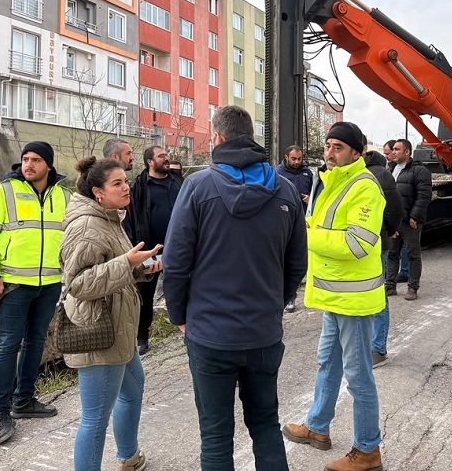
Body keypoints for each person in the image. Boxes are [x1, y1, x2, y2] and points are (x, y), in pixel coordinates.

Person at [162, 105, 307, 471]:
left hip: (210, 333)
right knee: (265, 425)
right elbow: (297, 264)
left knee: (215, 435)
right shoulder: (286, 191)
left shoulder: (197, 187)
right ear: (251, 136)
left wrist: (179, 315)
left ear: (219, 138)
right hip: (263, 332)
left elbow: (176, 263)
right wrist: (276, 303)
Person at [283, 121, 386, 471]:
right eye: (328, 145)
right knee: (328, 362)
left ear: (357, 152)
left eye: (338, 147)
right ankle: (317, 426)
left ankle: (368, 450)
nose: (329, 153)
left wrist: (305, 236)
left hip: (353, 301)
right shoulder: (328, 182)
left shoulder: (364, 187)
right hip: (333, 296)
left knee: (358, 377)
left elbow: (358, 244)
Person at [60, 156, 163, 471]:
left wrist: (140, 269)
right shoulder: (87, 226)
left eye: (125, 181)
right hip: (99, 333)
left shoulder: (108, 217)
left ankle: (128, 458)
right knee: (94, 418)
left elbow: (111, 270)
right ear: (98, 192)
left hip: (119, 328)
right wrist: (127, 263)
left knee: (133, 389)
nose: (126, 188)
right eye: (116, 183)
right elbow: (77, 283)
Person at [0, 141, 71, 446]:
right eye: (25, 159)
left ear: (49, 165)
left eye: (36, 160)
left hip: (50, 283)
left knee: (36, 341)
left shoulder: (64, 195)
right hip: (14, 283)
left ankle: (24, 400)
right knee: (7, 346)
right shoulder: (4, 191)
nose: (28, 165)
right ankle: (0, 412)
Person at [124, 145, 183, 355]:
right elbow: (130, 219)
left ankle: (188, 330)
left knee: (184, 288)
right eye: (161, 156)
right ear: (150, 161)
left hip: (179, 249)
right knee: (145, 294)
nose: (166, 158)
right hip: (150, 250)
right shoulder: (138, 187)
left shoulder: (178, 182)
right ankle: (142, 337)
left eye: (166, 155)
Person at [363, 141, 403, 368]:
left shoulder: (373, 174)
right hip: (375, 240)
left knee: (376, 294)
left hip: (372, 242)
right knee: (374, 292)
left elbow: (395, 206)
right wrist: (388, 228)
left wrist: (387, 227)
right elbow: (395, 207)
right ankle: (374, 346)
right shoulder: (382, 173)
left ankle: (378, 347)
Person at [387, 138, 432, 300]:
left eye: (397, 149)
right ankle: (390, 285)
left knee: (413, 254)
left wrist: (415, 216)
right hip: (394, 221)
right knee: (392, 254)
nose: (393, 152)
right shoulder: (391, 169)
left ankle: (413, 287)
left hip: (409, 222)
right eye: (393, 150)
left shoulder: (419, 171)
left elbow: (424, 196)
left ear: (407, 152)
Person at [276, 144, 313, 312]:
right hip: (284, 220)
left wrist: (310, 199)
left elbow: (316, 194)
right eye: (293, 159)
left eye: (299, 159)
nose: (297, 162)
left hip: (305, 220)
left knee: (301, 259)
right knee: (286, 260)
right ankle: (289, 298)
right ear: (286, 157)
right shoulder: (278, 173)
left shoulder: (308, 173)